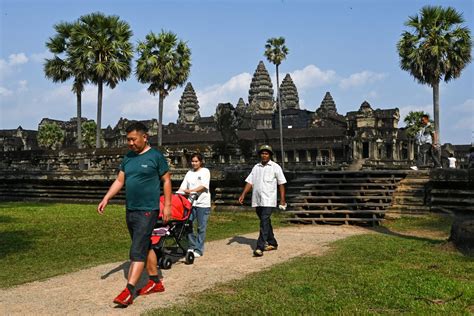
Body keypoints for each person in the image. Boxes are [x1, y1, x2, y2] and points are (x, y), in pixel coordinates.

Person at [97, 122, 172, 307]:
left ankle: (129, 290)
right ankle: (155, 281)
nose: (130, 143)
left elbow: (167, 180)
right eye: (128, 139)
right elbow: (120, 180)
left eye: (133, 139)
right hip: (131, 209)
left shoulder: (156, 156)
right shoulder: (128, 157)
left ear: (144, 137)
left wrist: (168, 205)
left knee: (137, 249)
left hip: (148, 210)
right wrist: (106, 197)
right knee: (144, 245)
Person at [238, 144, 287, 257]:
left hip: (269, 199)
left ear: (270, 155)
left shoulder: (275, 167)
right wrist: (243, 194)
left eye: (266, 153)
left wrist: (282, 200)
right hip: (258, 199)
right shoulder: (256, 167)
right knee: (265, 221)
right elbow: (250, 182)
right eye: (262, 153)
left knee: (264, 221)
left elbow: (281, 184)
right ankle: (272, 242)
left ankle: (260, 247)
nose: (264, 155)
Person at [178, 152, 211, 258]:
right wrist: (176, 194)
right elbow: (183, 187)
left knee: (201, 227)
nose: (194, 163)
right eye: (192, 161)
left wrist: (191, 191)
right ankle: (191, 245)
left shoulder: (205, 171)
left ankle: (199, 249)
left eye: (196, 161)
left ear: (200, 162)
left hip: (203, 204)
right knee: (188, 225)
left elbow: (203, 186)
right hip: (191, 204)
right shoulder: (189, 173)